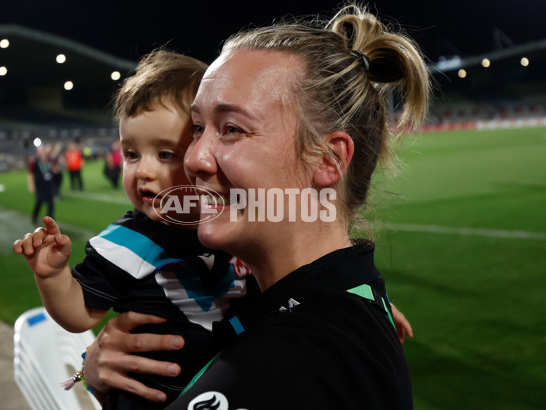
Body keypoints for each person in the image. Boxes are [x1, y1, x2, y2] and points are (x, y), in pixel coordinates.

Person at [83, 3, 428, 409]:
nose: (193, 158)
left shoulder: (292, 359)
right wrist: (100, 376)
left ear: (328, 160)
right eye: (197, 128)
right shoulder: (330, 300)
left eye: (231, 129)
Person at [12, 50, 254, 409]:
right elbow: (80, 315)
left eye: (166, 154)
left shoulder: (239, 223)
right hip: (148, 397)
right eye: (131, 154)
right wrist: (52, 276)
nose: (142, 171)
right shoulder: (127, 241)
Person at [27, 143, 58, 224]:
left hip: (49, 185)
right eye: (40, 151)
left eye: (43, 151)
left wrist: (56, 170)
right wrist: (31, 184)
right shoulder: (35, 162)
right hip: (40, 186)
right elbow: (30, 174)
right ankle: (34, 217)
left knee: (51, 204)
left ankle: (50, 222)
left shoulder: (51, 161)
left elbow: (55, 170)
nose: (43, 153)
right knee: (39, 202)